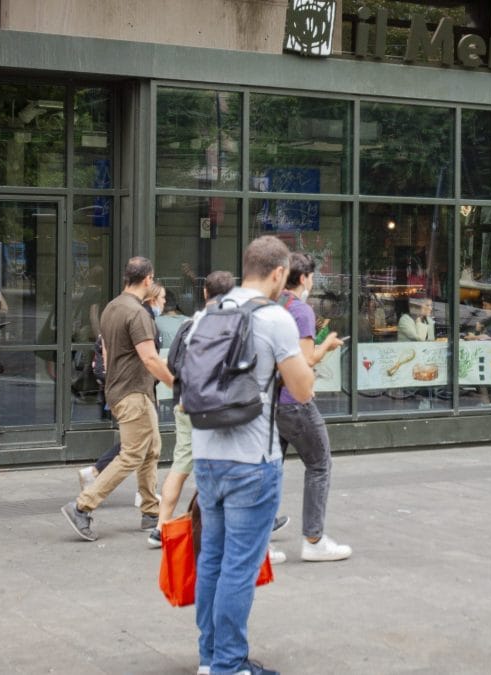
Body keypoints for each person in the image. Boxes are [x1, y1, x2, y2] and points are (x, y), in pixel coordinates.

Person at [192, 236, 315, 675]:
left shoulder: (208, 313)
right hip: (252, 460)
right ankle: (229, 665)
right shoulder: (275, 318)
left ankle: (210, 658)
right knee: (239, 566)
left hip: (206, 455)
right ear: (279, 273)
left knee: (212, 558)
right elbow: (302, 390)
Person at [61, 257, 174, 542]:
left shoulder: (112, 307)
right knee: (133, 454)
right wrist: (177, 384)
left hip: (125, 390)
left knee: (151, 449)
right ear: (148, 279)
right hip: (133, 392)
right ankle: (82, 506)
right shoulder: (137, 313)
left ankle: (151, 511)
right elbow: (150, 358)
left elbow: (108, 353)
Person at [147, 271, 234, 549]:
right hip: (212, 407)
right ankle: (229, 525)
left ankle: (160, 527)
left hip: (185, 403)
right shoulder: (228, 326)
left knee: (181, 464)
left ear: (205, 293)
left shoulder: (189, 324)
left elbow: (172, 362)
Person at [274, 252, 351, 562]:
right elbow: (305, 361)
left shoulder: (273, 304)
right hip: (295, 401)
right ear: (304, 278)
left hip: (271, 401)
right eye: (311, 277)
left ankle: (258, 540)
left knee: (270, 470)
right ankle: (314, 539)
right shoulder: (301, 310)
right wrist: (327, 345)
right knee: (320, 465)